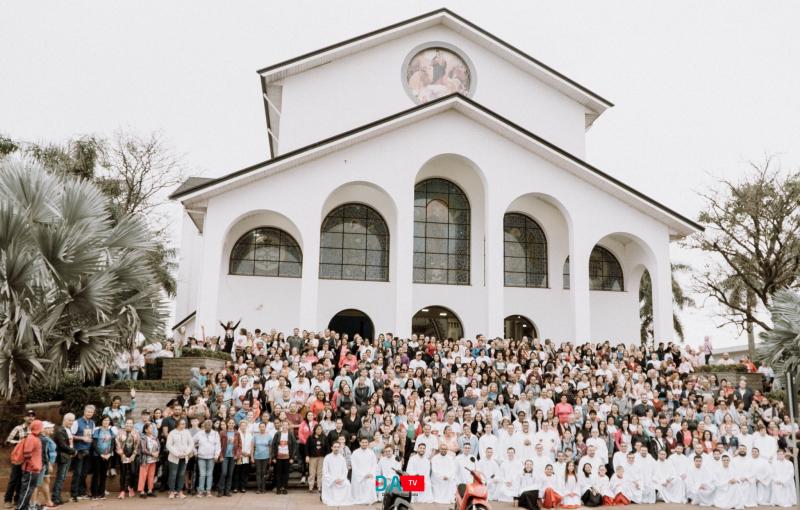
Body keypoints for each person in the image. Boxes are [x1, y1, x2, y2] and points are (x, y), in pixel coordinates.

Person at [4, 410, 34, 509]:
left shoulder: (34, 429)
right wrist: (21, 442)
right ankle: (7, 500)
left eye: (32, 416)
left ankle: (18, 500)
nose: (30, 417)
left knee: (23, 480)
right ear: (24, 417)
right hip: (18, 458)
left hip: (29, 459)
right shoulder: (18, 428)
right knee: (13, 479)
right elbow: (8, 441)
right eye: (28, 416)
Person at [69, 405, 95, 502]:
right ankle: (74, 494)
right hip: (79, 451)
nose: (89, 413)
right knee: (77, 473)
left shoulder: (92, 423)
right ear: (84, 411)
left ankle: (81, 492)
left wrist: (91, 439)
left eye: (91, 412)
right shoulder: (76, 422)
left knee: (84, 473)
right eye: (88, 411)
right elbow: (70, 435)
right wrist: (82, 438)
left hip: (88, 451)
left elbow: (91, 435)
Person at [15, 420, 43, 510]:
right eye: (41, 426)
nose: (42, 428)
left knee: (29, 489)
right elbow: (27, 454)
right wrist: (34, 466)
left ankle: (25, 507)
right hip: (30, 470)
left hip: (34, 469)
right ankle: (21, 507)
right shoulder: (31, 438)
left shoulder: (35, 438)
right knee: (27, 490)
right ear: (37, 428)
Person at [166, 418, 193, 499]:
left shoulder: (187, 432)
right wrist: (177, 453)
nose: (183, 425)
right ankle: (171, 491)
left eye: (184, 424)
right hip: (174, 458)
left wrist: (187, 452)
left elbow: (191, 443)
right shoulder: (172, 433)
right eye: (182, 424)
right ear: (177, 424)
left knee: (181, 475)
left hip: (184, 457)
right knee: (173, 475)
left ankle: (179, 491)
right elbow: (168, 445)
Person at [51, 413, 75, 506]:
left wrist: (72, 452)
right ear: (64, 420)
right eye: (69, 420)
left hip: (67, 456)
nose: (71, 422)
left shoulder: (67, 429)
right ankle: (55, 498)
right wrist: (73, 451)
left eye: (72, 420)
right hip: (63, 456)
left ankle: (58, 497)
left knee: (63, 477)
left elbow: (69, 443)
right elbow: (62, 445)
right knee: (60, 477)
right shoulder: (60, 430)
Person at [90, 415, 115, 500]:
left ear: (109, 422)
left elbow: (112, 444)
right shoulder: (97, 431)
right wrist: (101, 454)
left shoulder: (111, 431)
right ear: (101, 421)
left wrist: (109, 453)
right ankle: (94, 494)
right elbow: (94, 444)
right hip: (97, 456)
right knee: (96, 474)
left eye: (107, 420)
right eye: (104, 420)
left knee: (103, 475)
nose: (106, 422)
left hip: (107, 456)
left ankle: (101, 493)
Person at [194, 419, 221, 497]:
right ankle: (201, 491)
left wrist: (216, 455)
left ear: (211, 425)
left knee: (209, 474)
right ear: (204, 425)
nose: (207, 426)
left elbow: (218, 445)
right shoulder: (199, 433)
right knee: (202, 474)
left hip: (211, 457)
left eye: (209, 425)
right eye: (206, 424)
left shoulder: (215, 433)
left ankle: (208, 490)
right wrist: (195, 452)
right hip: (201, 457)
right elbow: (192, 442)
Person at [115, 418, 140, 499]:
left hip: (132, 456)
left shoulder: (136, 433)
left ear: (133, 424)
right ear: (125, 424)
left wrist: (134, 455)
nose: (128, 425)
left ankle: (131, 488)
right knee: (123, 473)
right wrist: (122, 454)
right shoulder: (120, 432)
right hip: (123, 455)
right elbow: (117, 443)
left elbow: (137, 445)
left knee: (133, 472)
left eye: (130, 423)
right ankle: (122, 491)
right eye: (127, 423)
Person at [269, 421, 296, 495]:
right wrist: (273, 457)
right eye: (283, 425)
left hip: (287, 458)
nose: (284, 426)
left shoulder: (290, 434)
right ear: (281, 425)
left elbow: (294, 446)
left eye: (286, 425)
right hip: (278, 458)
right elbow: (273, 445)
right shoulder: (278, 434)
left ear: (288, 426)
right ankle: (278, 488)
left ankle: (284, 488)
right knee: (278, 473)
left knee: (285, 474)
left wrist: (292, 458)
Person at [321, 441, 350, 506]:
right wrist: (334, 479)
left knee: (347, 484)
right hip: (330, 480)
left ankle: (343, 499)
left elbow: (345, 471)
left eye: (338, 447)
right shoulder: (327, 457)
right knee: (331, 484)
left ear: (339, 448)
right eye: (335, 447)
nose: (336, 449)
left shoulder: (342, 458)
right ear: (332, 448)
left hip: (340, 479)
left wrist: (341, 479)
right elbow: (325, 472)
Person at [350, 437, 378, 504]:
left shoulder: (371, 453)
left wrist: (371, 474)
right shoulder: (355, 453)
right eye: (363, 442)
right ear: (360, 443)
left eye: (366, 442)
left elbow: (374, 465)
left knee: (370, 482)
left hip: (369, 475)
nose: (364, 444)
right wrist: (363, 475)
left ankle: (369, 500)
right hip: (358, 476)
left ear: (368, 443)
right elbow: (354, 466)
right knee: (360, 483)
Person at [137, 423, 159, 498]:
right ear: (146, 430)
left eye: (152, 428)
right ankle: (142, 491)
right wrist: (152, 454)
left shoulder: (155, 437)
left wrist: (157, 453)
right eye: (150, 428)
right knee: (143, 475)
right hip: (145, 460)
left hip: (153, 460)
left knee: (151, 475)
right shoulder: (143, 438)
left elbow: (159, 446)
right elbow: (143, 449)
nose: (152, 429)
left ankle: (150, 490)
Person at [305, 424, 326, 493]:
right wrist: (307, 456)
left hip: (322, 457)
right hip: (312, 457)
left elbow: (327, 447)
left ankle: (319, 487)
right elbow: (306, 447)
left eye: (320, 429)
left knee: (320, 473)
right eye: (317, 429)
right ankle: (311, 487)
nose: (319, 430)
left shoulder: (324, 437)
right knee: (312, 473)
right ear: (314, 430)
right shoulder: (310, 437)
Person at [253, 421, 272, 494]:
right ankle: (258, 488)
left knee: (264, 472)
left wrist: (270, 457)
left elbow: (270, 447)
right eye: (260, 427)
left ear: (265, 427)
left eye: (263, 427)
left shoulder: (269, 436)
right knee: (258, 472)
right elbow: (252, 446)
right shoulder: (255, 436)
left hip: (266, 456)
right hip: (257, 456)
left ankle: (263, 488)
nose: (262, 428)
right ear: (259, 428)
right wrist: (252, 456)